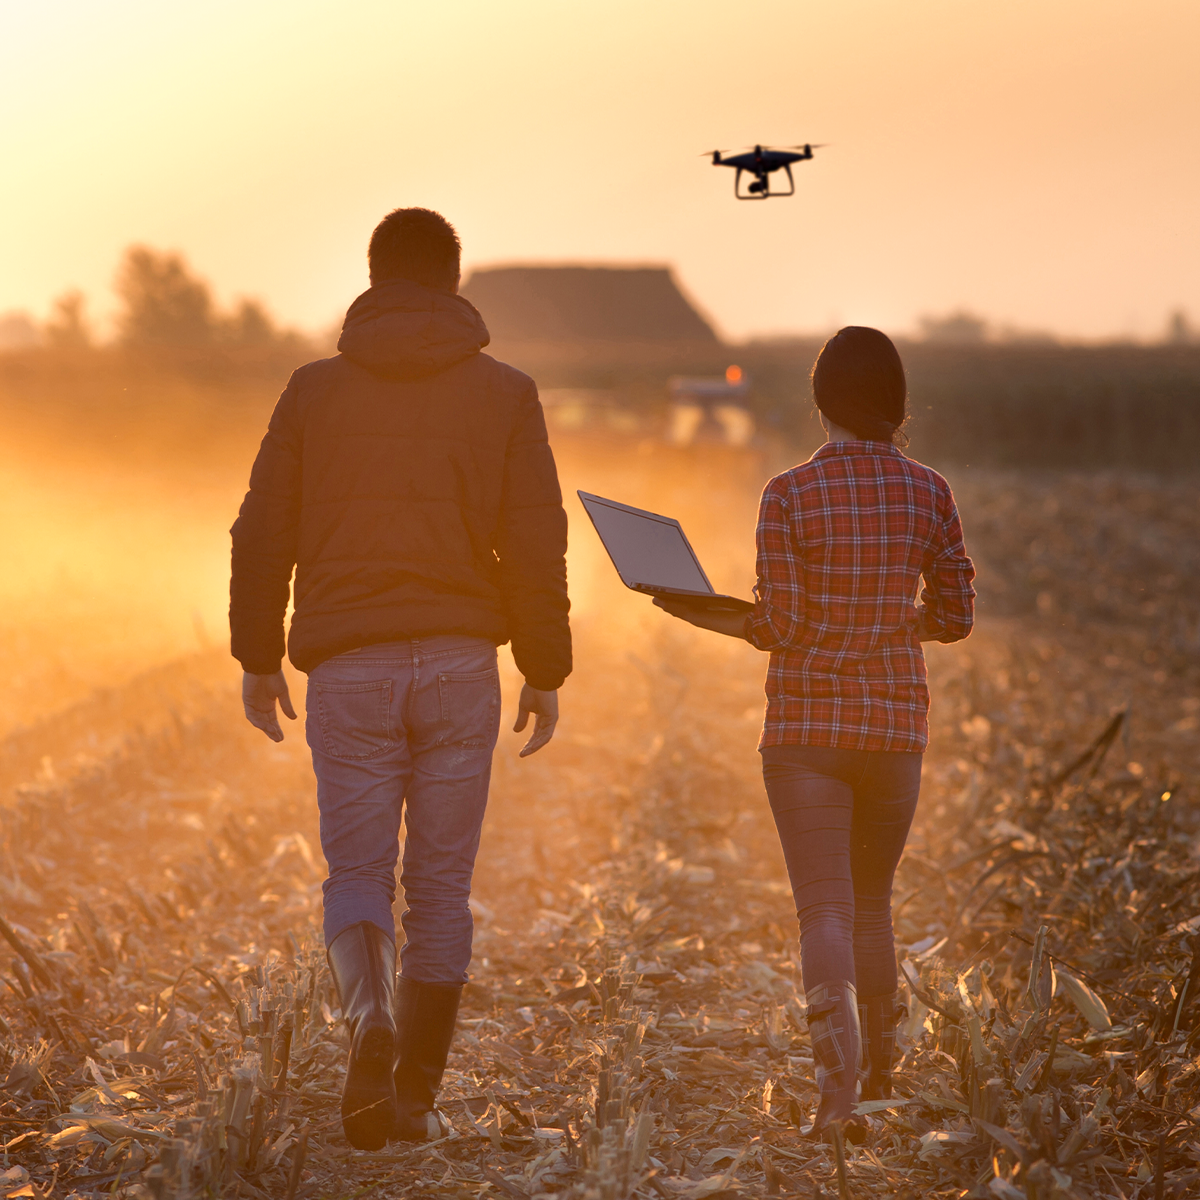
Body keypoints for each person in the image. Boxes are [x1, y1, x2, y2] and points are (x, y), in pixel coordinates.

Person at [229, 207, 572, 1150]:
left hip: (350, 667)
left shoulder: (312, 390)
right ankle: (413, 1094)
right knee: (442, 889)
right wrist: (544, 665)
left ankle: (367, 1021)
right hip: (464, 666)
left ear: (375, 277)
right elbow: (537, 539)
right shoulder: (508, 393)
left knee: (358, 874)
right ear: (455, 284)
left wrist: (258, 655)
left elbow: (262, 532)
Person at [655, 327, 974, 1138]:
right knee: (873, 904)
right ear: (898, 404)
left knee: (822, 913)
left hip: (805, 730)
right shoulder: (931, 491)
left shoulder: (788, 493)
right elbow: (956, 616)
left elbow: (784, 624)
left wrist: (706, 612)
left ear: (821, 400)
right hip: (895, 728)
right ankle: (881, 1080)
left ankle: (835, 1102)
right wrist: (892, 622)